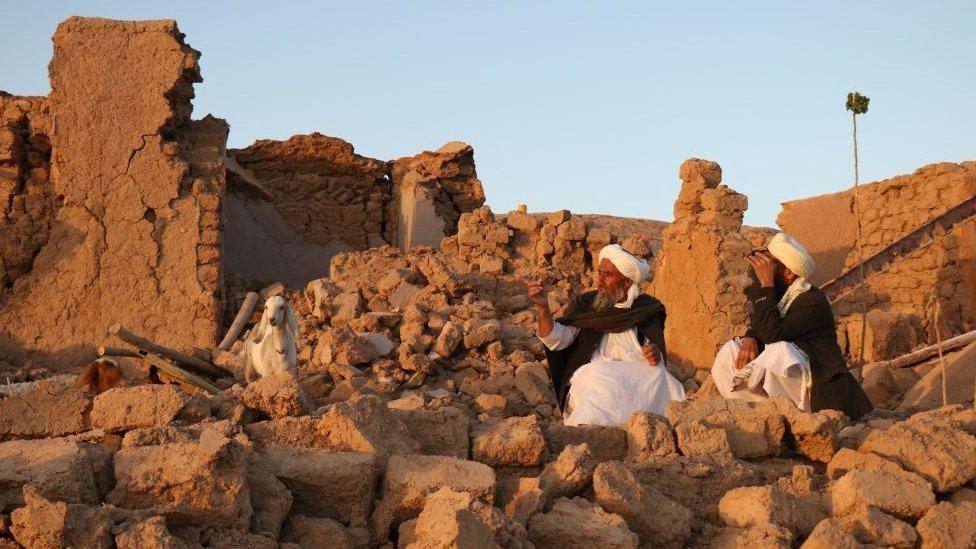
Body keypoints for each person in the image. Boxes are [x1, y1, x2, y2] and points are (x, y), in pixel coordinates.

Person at [710, 232, 873, 419]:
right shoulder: (781, 296)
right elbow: (761, 324)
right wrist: (750, 338)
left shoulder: (812, 300)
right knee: (731, 350)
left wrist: (766, 284)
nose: (763, 270)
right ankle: (761, 414)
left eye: (770, 266)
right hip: (790, 385)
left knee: (779, 351)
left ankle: (793, 417)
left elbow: (773, 334)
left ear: (789, 272)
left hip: (817, 390)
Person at [528, 244, 686, 426]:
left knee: (662, 378)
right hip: (599, 376)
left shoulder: (646, 308)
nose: (600, 280)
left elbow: (655, 353)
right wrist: (542, 307)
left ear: (627, 281)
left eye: (608, 275)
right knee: (595, 375)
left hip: (634, 375)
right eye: (599, 273)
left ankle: (647, 426)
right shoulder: (587, 304)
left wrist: (654, 355)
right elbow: (555, 340)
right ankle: (594, 428)